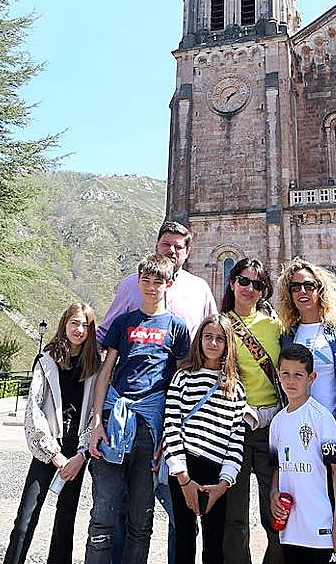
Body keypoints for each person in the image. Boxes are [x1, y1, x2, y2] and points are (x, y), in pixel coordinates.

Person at [96, 220, 218, 564]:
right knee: (124, 506)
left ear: (188, 251)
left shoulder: (200, 289)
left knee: (180, 508)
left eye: (179, 246)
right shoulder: (131, 286)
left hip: (183, 415)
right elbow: (107, 340)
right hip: (128, 414)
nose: (172, 251)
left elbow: (214, 338)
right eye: (167, 244)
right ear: (157, 245)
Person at [86, 253, 191, 564]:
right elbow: (105, 372)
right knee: (103, 513)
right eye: (145, 280)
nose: (150, 286)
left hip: (149, 425)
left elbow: (179, 380)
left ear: (168, 284)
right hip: (114, 418)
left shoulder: (177, 327)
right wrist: (95, 423)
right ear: (138, 282)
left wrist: (168, 437)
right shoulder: (125, 321)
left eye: (157, 281)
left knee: (140, 519)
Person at [276, 258, 336, 564]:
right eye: (295, 286)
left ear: (321, 289)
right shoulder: (287, 336)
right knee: (305, 544)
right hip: (302, 449)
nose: (302, 291)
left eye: (309, 285)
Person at [4, 302, 103, 564]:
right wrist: (53, 454)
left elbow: (96, 411)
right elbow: (34, 410)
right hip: (49, 451)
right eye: (74, 323)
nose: (79, 329)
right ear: (64, 324)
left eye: (85, 325)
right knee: (25, 519)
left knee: (65, 522)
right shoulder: (46, 360)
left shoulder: (95, 365)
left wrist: (82, 455)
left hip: (76, 455)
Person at [163, 314, 247, 564]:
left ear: (228, 344)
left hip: (216, 470)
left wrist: (225, 482)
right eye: (208, 337)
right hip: (185, 467)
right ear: (199, 339)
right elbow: (171, 425)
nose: (213, 343)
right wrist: (182, 476)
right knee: (184, 538)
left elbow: (236, 438)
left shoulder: (235, 388)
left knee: (214, 542)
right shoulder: (183, 378)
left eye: (219, 338)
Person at [222, 258, 286, 564]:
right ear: (232, 282)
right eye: (244, 281)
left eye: (257, 284)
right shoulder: (219, 325)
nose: (249, 288)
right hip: (234, 427)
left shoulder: (275, 327)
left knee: (273, 508)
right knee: (234, 515)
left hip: (271, 428)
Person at [268, 344, 336, 564]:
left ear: (311, 377)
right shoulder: (277, 423)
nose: (291, 381)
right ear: (278, 374)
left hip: (319, 527)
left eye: (298, 375)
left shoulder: (321, 418)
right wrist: (274, 494)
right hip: (290, 528)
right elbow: (277, 466)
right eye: (285, 374)